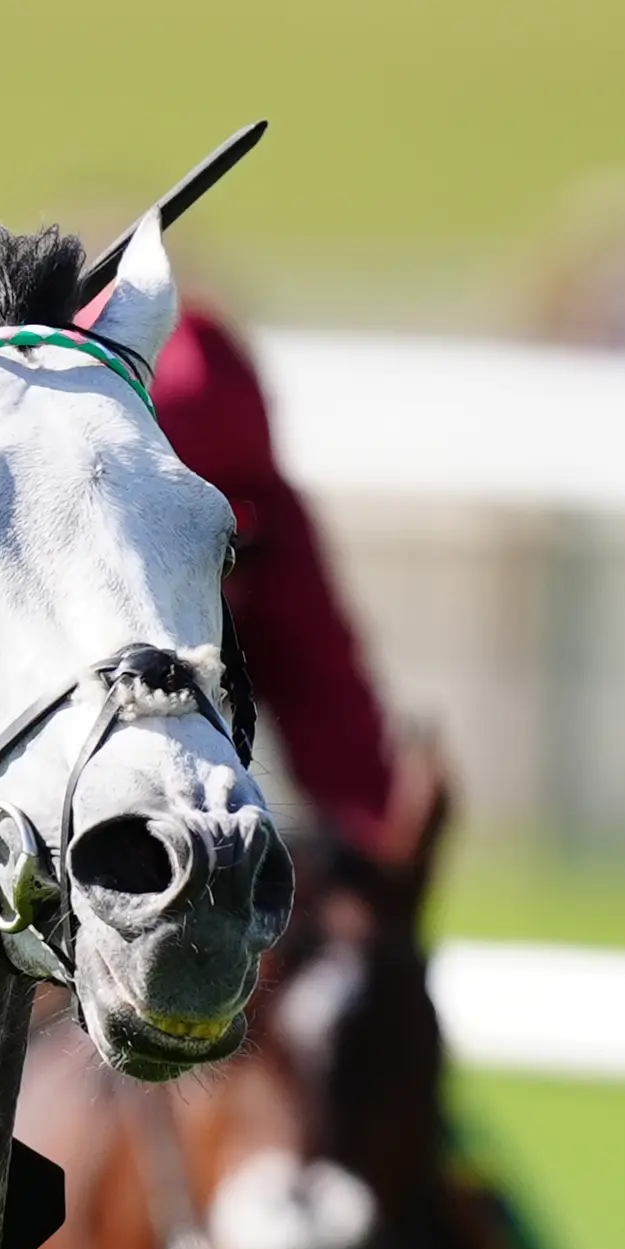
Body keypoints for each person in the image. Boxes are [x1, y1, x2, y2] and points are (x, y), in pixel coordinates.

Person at [143, 308, 403, 861]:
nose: (217, 576)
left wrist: (368, 850)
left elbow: (327, 688)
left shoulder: (274, 523)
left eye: (231, 549)